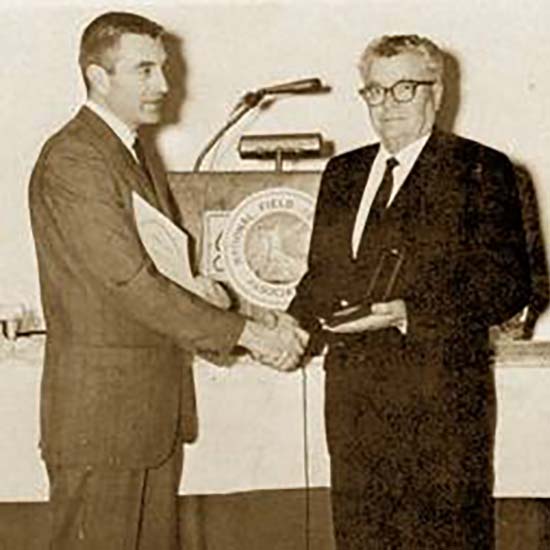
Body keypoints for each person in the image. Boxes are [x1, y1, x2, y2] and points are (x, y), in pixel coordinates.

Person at [28, 12, 307, 550]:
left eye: (162, 68)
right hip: (102, 425)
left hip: (143, 418)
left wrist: (221, 300)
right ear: (98, 76)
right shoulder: (75, 158)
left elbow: (158, 270)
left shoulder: (131, 152)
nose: (163, 84)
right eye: (145, 69)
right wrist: (249, 335)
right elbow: (130, 283)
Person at [288, 34, 531, 550]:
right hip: (352, 404)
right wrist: (286, 326)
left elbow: (508, 285)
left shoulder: (480, 168)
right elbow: (320, 277)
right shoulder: (342, 172)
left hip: (440, 404)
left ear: (436, 93)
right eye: (375, 91)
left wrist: (407, 313)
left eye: (404, 88)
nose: (388, 104)